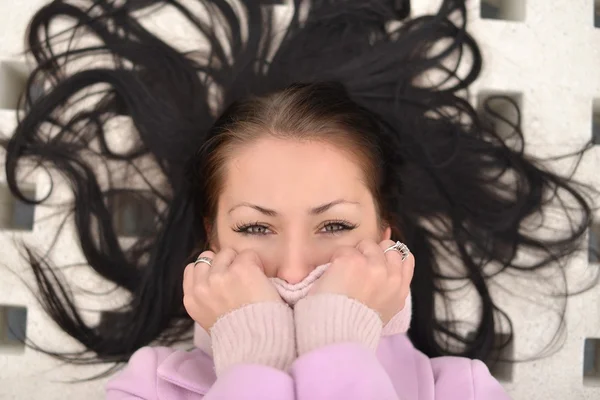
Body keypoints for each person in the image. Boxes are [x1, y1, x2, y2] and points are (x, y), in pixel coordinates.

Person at [2, 0, 594, 399]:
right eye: (256, 228)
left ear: (387, 232)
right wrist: (252, 358)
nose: (293, 267)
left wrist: (339, 346)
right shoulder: (146, 387)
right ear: (211, 239)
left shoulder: (462, 389)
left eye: (334, 225)